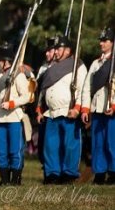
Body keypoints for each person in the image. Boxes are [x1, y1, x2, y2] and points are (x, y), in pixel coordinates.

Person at [36, 35, 87, 184]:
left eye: (58, 49)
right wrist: (40, 108)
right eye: (55, 49)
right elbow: (44, 90)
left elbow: (82, 89)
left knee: (70, 145)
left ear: (67, 50)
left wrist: (77, 109)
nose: (56, 52)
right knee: (51, 146)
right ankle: (53, 174)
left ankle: (69, 174)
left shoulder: (78, 65)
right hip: (51, 112)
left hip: (68, 111)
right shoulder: (51, 67)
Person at [0, 41, 32, 186]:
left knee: (15, 150)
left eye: (0, 61)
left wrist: (12, 103)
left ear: (5, 61)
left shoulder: (18, 75)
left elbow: (26, 96)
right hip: (0, 118)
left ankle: (15, 179)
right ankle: (4, 179)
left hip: (14, 117)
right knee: (1, 151)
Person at [80, 27, 115, 184]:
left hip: (112, 110)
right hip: (97, 108)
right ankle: (100, 173)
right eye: (101, 40)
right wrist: (86, 108)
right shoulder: (95, 63)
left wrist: (114, 105)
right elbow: (87, 87)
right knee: (98, 143)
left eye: (105, 40)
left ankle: (114, 173)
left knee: (112, 142)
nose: (101, 43)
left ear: (113, 43)